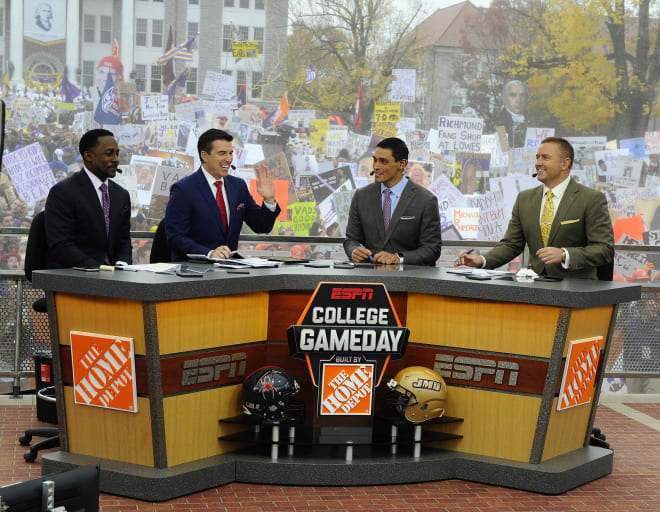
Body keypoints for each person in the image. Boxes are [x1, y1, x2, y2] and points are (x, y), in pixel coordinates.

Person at [457, 137, 614, 279]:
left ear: (565, 163)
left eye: (545, 158)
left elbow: (604, 249)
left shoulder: (591, 199)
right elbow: (511, 245)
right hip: (535, 287)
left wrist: (565, 254)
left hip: (577, 290)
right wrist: (482, 260)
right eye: (537, 157)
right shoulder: (524, 199)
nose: (538, 163)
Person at [165, 128, 281, 261]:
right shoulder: (183, 189)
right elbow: (175, 238)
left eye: (231, 153)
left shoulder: (238, 186)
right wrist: (209, 253)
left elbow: (261, 226)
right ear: (204, 155)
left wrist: (269, 200)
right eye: (222, 153)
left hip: (230, 270)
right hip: (196, 270)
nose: (228, 159)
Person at [343, 137, 442, 266]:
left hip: (408, 281)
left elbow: (431, 249)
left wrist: (399, 258)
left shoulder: (426, 200)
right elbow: (351, 240)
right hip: (369, 278)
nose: (376, 166)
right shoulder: (361, 196)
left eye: (383, 162)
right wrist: (354, 251)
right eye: (375, 160)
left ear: (402, 164)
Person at [44, 129, 132, 268]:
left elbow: (123, 240)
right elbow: (62, 245)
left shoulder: (121, 195)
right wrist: (99, 271)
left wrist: (122, 264)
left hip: (114, 280)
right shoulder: (63, 192)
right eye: (109, 153)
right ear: (88, 156)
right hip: (76, 278)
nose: (116, 159)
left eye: (117, 153)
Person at [495, 80, 528, 148]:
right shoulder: (498, 122)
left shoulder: (534, 120)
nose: (518, 100)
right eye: (513, 95)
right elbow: (503, 148)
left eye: (522, 95)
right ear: (504, 98)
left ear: (526, 98)